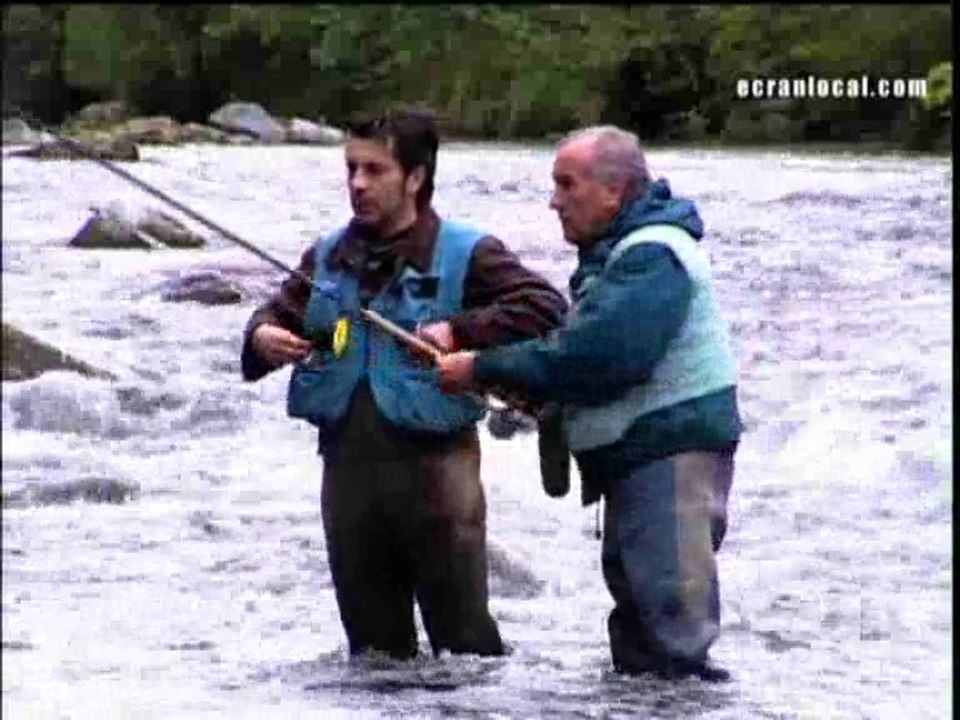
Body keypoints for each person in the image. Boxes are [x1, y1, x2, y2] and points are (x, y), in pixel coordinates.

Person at [240, 110, 568, 661]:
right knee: (370, 659)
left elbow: (544, 308)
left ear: (415, 177)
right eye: (351, 170)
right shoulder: (326, 256)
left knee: (464, 653)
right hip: (347, 478)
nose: (358, 184)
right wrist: (263, 335)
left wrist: (459, 329)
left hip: (439, 478)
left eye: (375, 170)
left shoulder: (469, 252)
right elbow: (276, 312)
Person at [436, 125, 742, 682]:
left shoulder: (653, 256)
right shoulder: (624, 256)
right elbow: (585, 360)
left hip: (667, 458)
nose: (554, 200)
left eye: (565, 185)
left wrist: (481, 366)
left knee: (671, 638)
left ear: (614, 190)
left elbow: (597, 359)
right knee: (643, 639)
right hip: (644, 458)